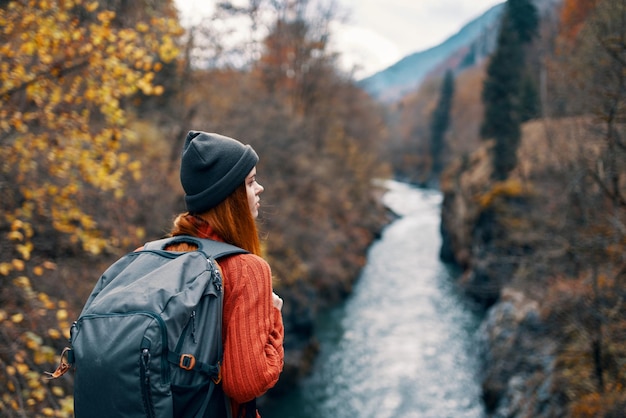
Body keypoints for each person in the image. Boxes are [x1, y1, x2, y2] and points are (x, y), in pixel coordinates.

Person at [164, 130, 284, 417]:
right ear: (229, 196)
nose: (260, 189)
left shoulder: (154, 254)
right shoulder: (248, 270)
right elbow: (246, 384)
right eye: (251, 182)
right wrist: (273, 318)